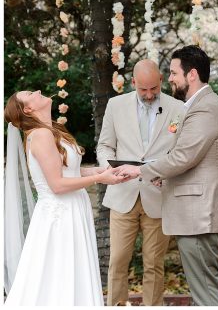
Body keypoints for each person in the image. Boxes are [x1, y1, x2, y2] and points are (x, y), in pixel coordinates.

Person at [115, 46, 218, 305]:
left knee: (205, 291)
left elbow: (183, 157)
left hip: (200, 213)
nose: (169, 78)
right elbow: (189, 158)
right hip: (196, 212)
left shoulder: (205, 108)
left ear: (191, 75)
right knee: (202, 287)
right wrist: (163, 176)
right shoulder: (200, 106)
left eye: (173, 72)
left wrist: (141, 170)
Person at [4, 91, 128, 305]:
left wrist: (106, 171)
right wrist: (100, 178)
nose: (38, 92)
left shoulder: (51, 130)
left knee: (71, 270)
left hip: (72, 209)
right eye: (30, 94)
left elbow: (70, 172)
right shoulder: (40, 135)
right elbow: (58, 185)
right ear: (27, 110)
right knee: (59, 274)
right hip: (59, 216)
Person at [97, 59, 184, 306]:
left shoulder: (178, 108)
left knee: (154, 264)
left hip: (158, 196)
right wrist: (110, 169)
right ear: (133, 82)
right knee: (117, 262)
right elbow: (105, 145)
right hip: (123, 194)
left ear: (161, 81)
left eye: (153, 89)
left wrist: (166, 174)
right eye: (143, 89)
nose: (148, 95)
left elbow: (180, 152)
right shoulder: (116, 105)